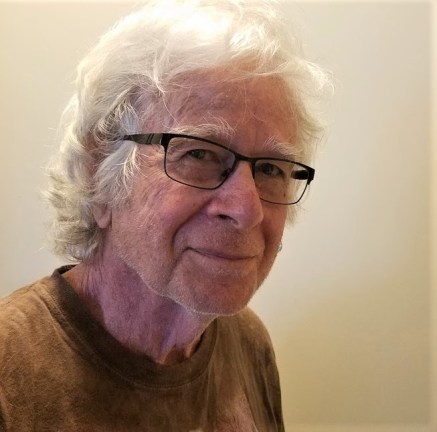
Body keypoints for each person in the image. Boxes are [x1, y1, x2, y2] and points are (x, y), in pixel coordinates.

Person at [0, 0, 327, 430]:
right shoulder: (12, 375)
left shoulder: (247, 342)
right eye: (199, 153)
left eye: (269, 169)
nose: (246, 210)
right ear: (100, 171)